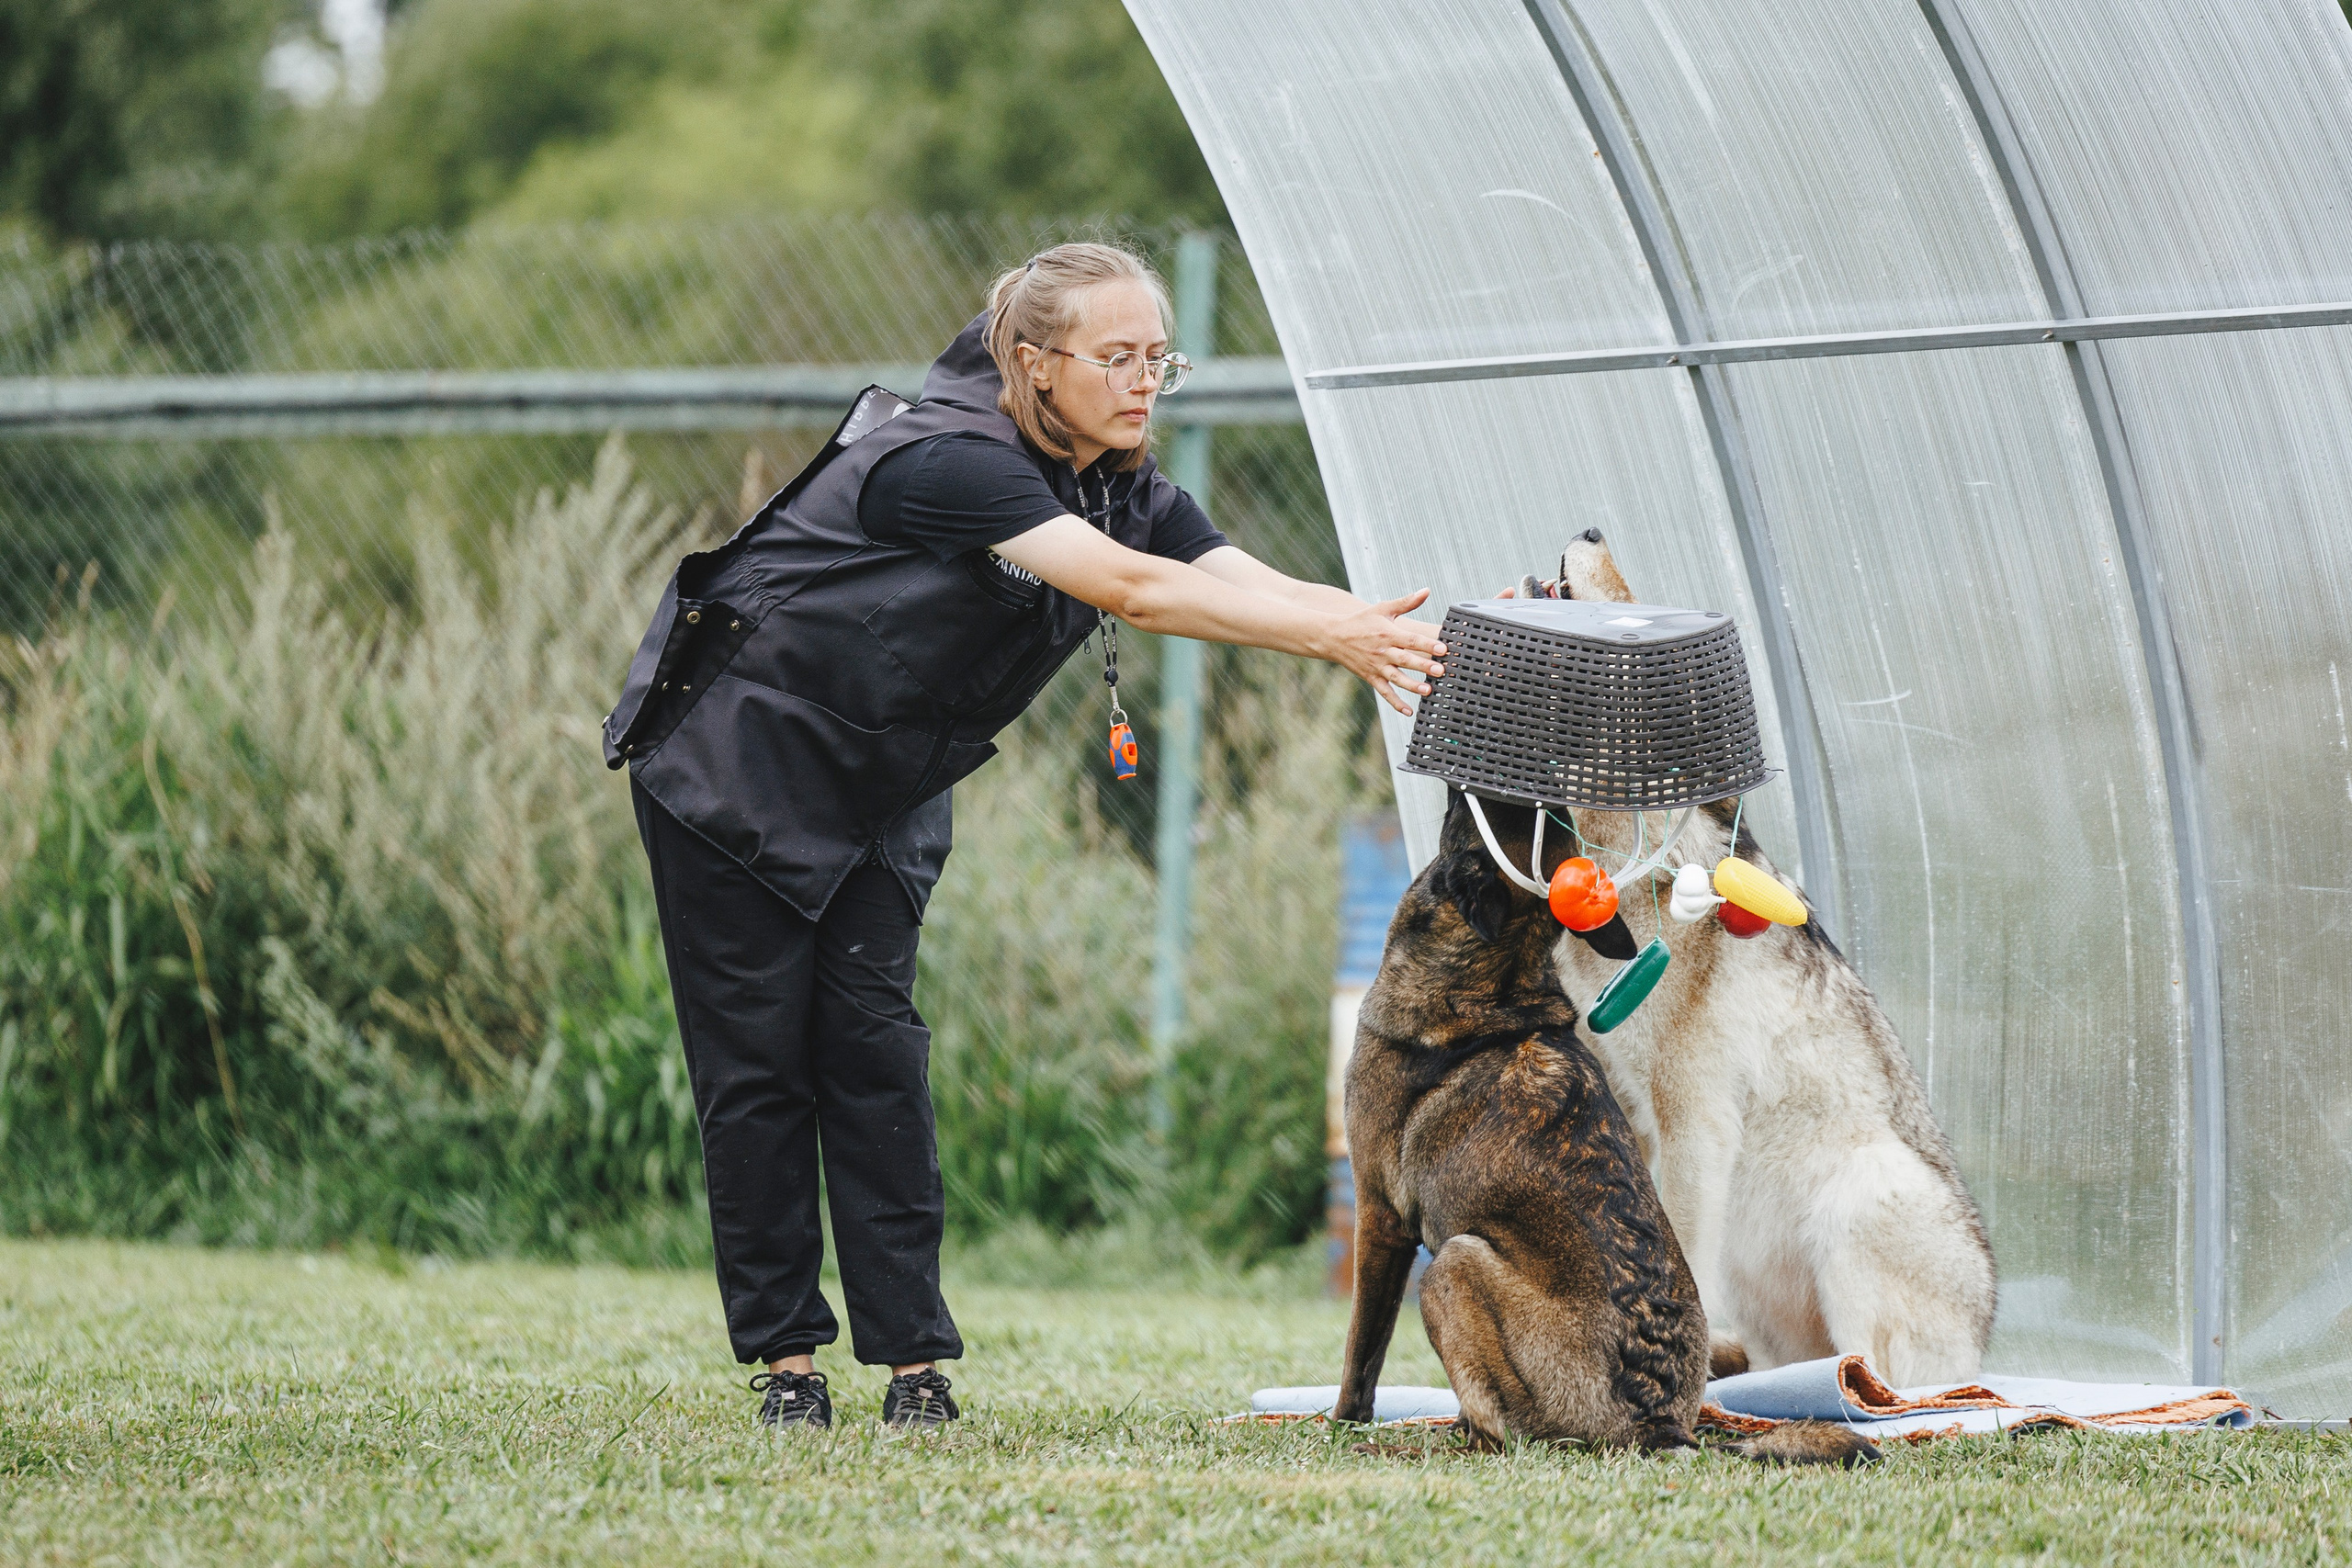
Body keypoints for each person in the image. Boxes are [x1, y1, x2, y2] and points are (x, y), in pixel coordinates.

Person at [605, 242, 1446, 1432]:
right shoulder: (948, 461)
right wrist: (1338, 648)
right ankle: (787, 1364)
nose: (1144, 381)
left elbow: (1216, 566)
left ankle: (914, 1370)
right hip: (738, 759)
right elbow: (1134, 592)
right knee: (758, 1068)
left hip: (881, 782)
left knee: (873, 1051)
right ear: (1035, 363)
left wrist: (1370, 623)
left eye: (1161, 358)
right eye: (1116, 358)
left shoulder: (1116, 473)